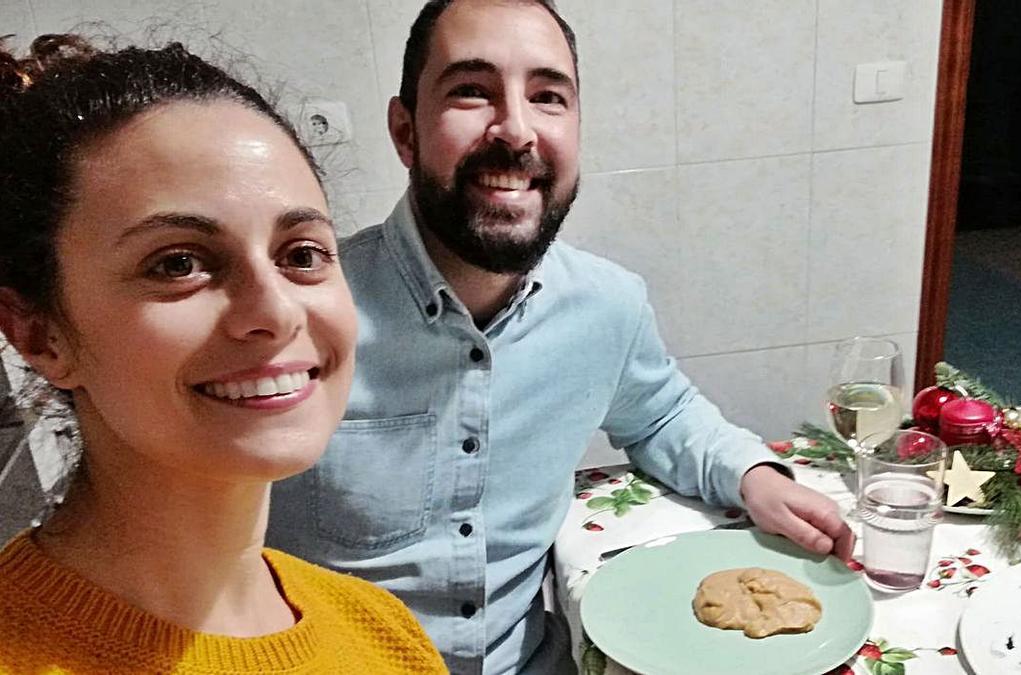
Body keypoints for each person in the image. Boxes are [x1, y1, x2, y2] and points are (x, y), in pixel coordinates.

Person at [267, 1, 855, 673]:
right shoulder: (296, 319)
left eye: (548, 96)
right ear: (406, 132)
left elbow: (663, 411)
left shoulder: (607, 305)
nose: (516, 129)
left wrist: (752, 475)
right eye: (470, 91)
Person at [0, 35, 446, 673]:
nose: (276, 310)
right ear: (40, 334)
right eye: (179, 263)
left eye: (301, 254)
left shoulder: (384, 636)